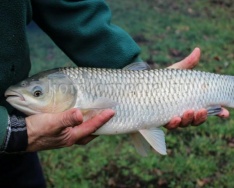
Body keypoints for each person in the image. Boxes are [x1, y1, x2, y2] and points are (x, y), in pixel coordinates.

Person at [0, 1, 229, 187]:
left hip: (19, 142)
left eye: (37, 92)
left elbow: (70, 7)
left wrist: (135, 70)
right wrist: (8, 132)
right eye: (38, 93)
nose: (34, 95)